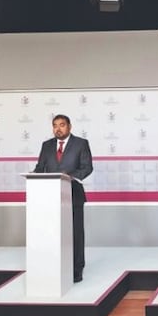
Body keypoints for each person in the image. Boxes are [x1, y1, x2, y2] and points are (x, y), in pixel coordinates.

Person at [34, 114, 93, 282]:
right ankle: (54, 267)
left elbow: (87, 167)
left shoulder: (81, 143)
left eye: (62, 125)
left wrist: (70, 176)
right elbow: (40, 168)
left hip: (73, 195)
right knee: (52, 233)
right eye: (55, 125)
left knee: (75, 234)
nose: (58, 129)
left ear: (69, 126)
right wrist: (34, 175)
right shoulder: (46, 145)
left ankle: (76, 270)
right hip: (50, 196)